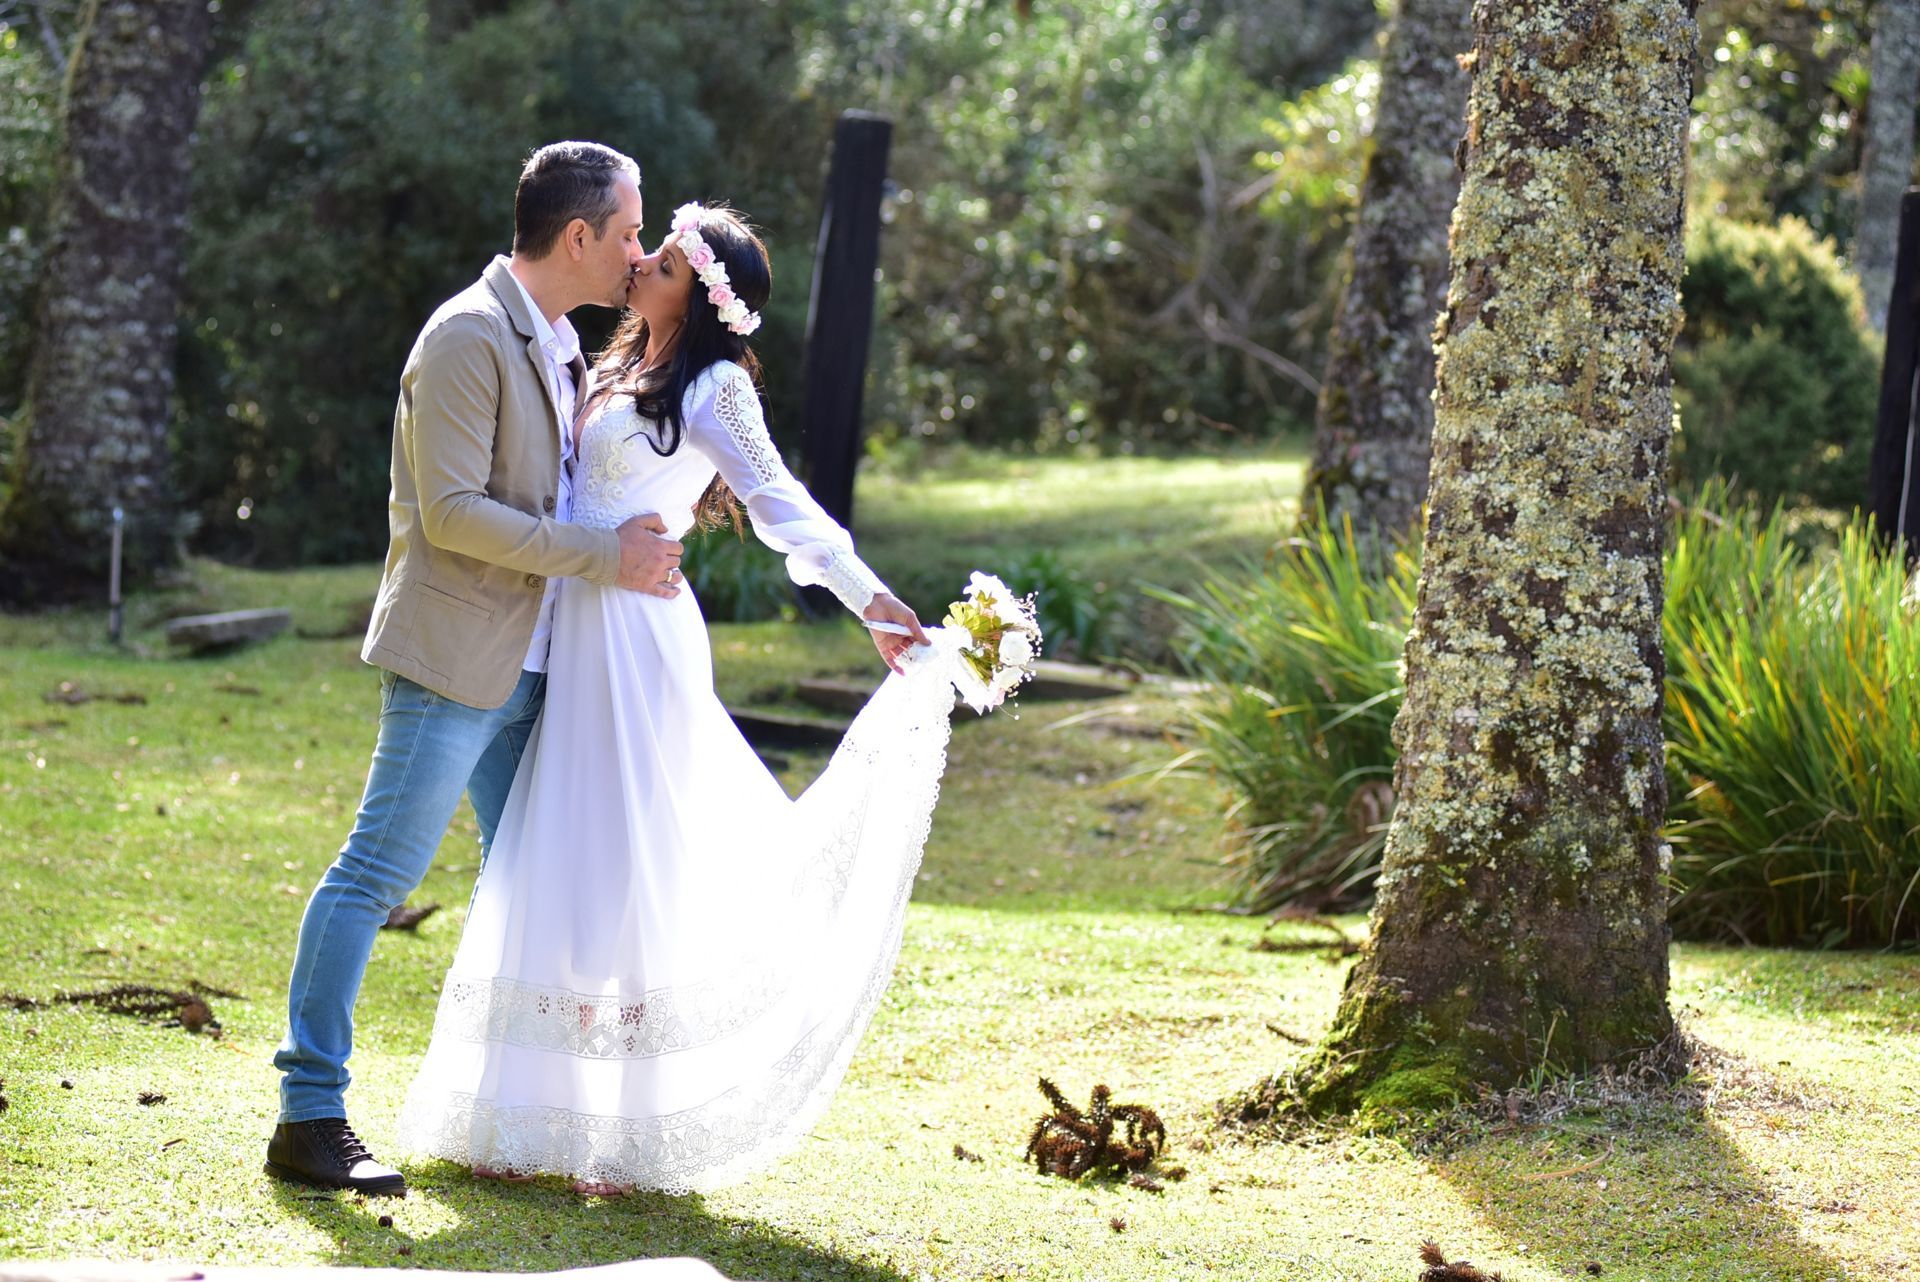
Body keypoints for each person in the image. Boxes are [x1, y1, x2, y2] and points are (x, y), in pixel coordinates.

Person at [395, 202, 951, 1196]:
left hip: (634, 641)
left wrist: (865, 595)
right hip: (560, 627)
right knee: (550, 852)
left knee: (625, 862)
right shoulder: (610, 367)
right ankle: (524, 1114)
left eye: (666, 255)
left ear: (702, 292)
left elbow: (777, 497)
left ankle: (624, 1135)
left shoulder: (717, 386)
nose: (640, 258)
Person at [265, 142, 685, 1197]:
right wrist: (606, 557)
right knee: (374, 875)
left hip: (543, 671)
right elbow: (451, 513)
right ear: (580, 236)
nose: (639, 252)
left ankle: (521, 1118)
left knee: (530, 888)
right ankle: (308, 1113)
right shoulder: (465, 335)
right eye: (631, 231)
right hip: (457, 661)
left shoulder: (555, 339)